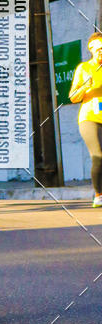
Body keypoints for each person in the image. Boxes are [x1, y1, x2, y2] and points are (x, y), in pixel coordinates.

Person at [69, 33, 102, 208]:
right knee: (98, 156)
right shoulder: (84, 68)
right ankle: (99, 195)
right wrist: (84, 86)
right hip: (89, 118)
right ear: (91, 50)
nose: (100, 52)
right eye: (97, 49)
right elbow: (72, 96)